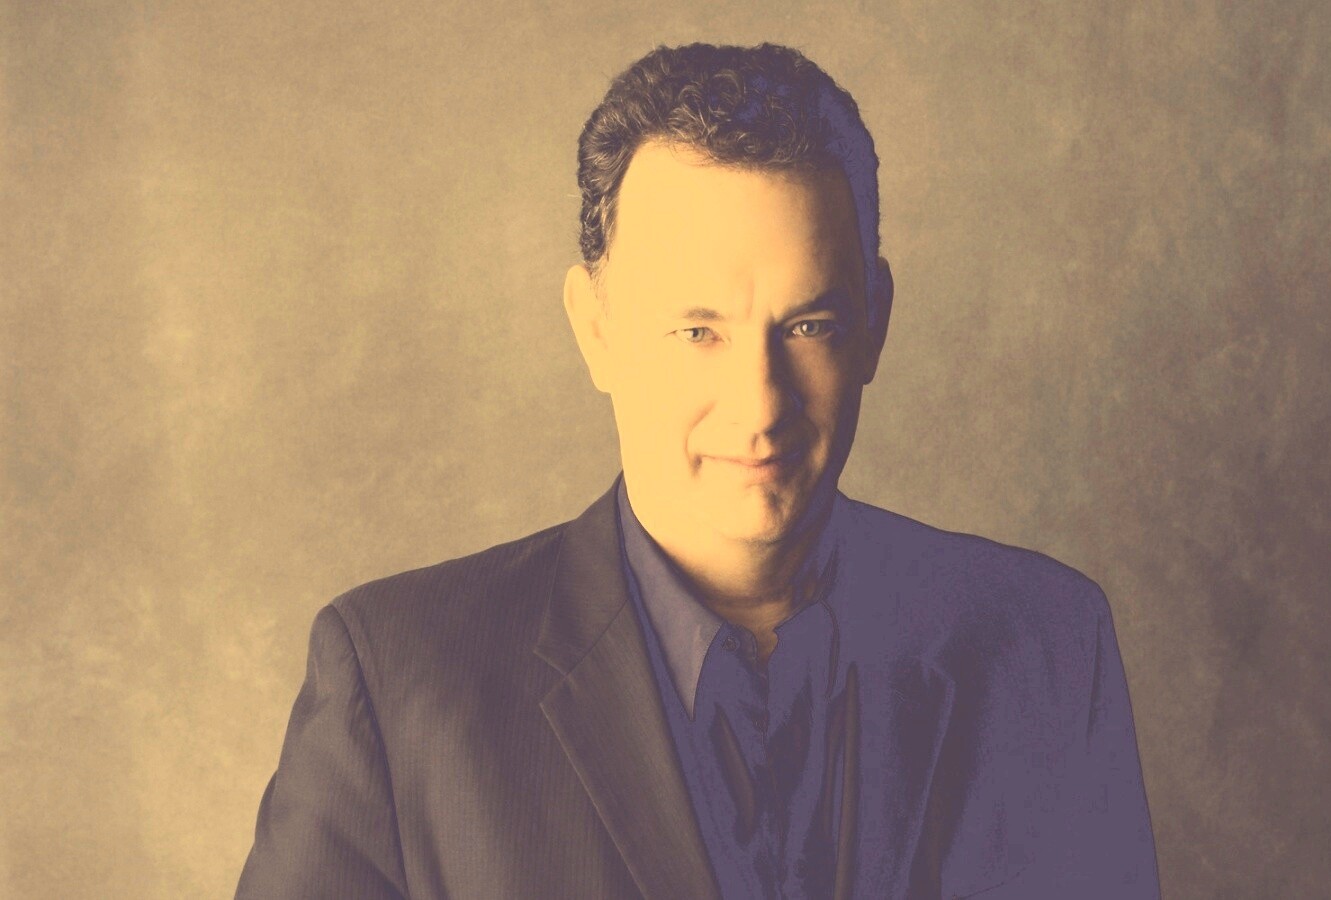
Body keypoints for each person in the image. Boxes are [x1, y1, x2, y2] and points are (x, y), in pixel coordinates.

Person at [237, 42, 1159, 899]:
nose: (759, 405)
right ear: (594, 328)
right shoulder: (397, 684)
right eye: (696, 331)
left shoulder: (1048, 647)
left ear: (875, 322)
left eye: (808, 326)